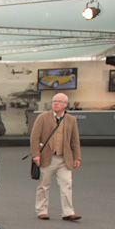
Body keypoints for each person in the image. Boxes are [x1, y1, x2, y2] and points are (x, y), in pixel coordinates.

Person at [31, 92, 81, 221]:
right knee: (43, 185)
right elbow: (34, 137)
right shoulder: (42, 118)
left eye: (59, 101)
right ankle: (42, 210)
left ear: (65, 104)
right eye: (54, 101)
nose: (56, 104)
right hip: (47, 157)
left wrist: (77, 157)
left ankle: (68, 212)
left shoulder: (71, 120)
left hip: (65, 159)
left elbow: (75, 140)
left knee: (67, 184)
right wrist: (35, 155)